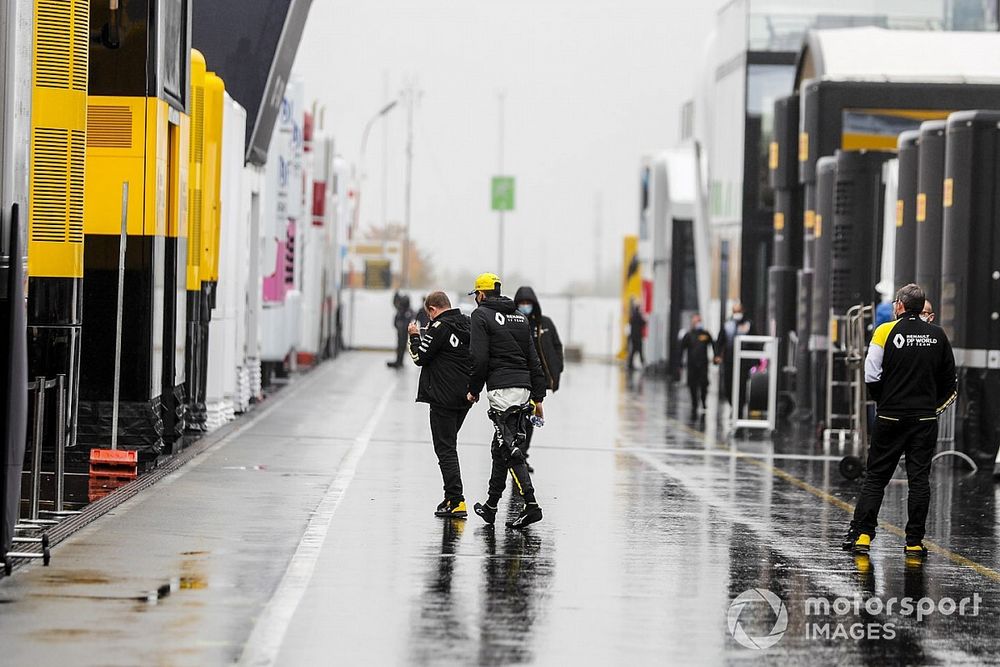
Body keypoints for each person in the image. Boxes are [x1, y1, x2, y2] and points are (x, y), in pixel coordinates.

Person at [842, 283, 957, 558]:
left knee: (876, 478)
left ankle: (863, 536)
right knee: (919, 480)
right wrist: (932, 408)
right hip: (924, 418)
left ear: (900, 306)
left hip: (891, 415)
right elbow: (950, 383)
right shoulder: (938, 336)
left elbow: (871, 374)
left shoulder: (884, 331)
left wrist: (884, 401)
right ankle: (914, 542)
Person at [466, 272, 547, 529]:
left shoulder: (480, 315)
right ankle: (491, 506)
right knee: (499, 448)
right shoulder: (519, 317)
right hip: (523, 388)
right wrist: (538, 396)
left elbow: (478, 357)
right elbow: (534, 359)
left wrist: (473, 389)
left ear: (480, 294)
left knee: (509, 449)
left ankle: (531, 505)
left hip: (501, 389)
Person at [408, 292, 472, 518]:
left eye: (429, 314)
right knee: (449, 445)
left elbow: (419, 358)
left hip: (442, 398)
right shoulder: (468, 323)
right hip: (465, 397)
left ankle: (457, 500)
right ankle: (450, 496)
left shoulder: (438, 327)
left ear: (432, 310)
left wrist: (415, 336)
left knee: (445, 449)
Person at [514, 286, 564, 471]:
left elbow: (557, 347)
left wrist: (557, 368)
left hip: (538, 380)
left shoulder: (545, 324)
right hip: (517, 378)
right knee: (515, 418)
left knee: (530, 419)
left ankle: (522, 455)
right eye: (522, 303)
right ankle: (514, 453)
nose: (525, 306)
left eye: (528, 303)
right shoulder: (513, 322)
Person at [678, 313, 715, 417]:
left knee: (704, 383)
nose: (698, 323)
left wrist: (716, 356)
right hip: (692, 364)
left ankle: (703, 401)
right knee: (692, 385)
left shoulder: (705, 334)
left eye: (699, 321)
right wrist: (680, 364)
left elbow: (713, 344)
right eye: (695, 321)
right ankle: (695, 403)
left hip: (703, 364)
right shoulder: (689, 335)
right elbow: (681, 349)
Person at [716, 303, 752, 404]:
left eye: (739, 311)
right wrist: (718, 355)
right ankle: (732, 404)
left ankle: (739, 407)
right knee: (728, 385)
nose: (737, 314)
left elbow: (754, 343)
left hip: (743, 362)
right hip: (729, 361)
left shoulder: (748, 325)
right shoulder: (727, 325)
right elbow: (720, 342)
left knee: (741, 386)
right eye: (735, 311)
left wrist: (754, 361)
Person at [387, 292, 413, 368]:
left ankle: (400, 361)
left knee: (401, 346)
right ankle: (399, 361)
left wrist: (401, 326)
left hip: (403, 331)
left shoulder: (406, 311)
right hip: (401, 330)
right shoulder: (403, 310)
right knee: (400, 346)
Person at [627, 299, 646, 371]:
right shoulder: (639, 316)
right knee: (640, 350)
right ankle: (643, 364)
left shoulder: (632, 316)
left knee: (634, 350)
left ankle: (630, 364)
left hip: (633, 336)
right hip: (638, 336)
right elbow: (644, 323)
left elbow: (630, 323)